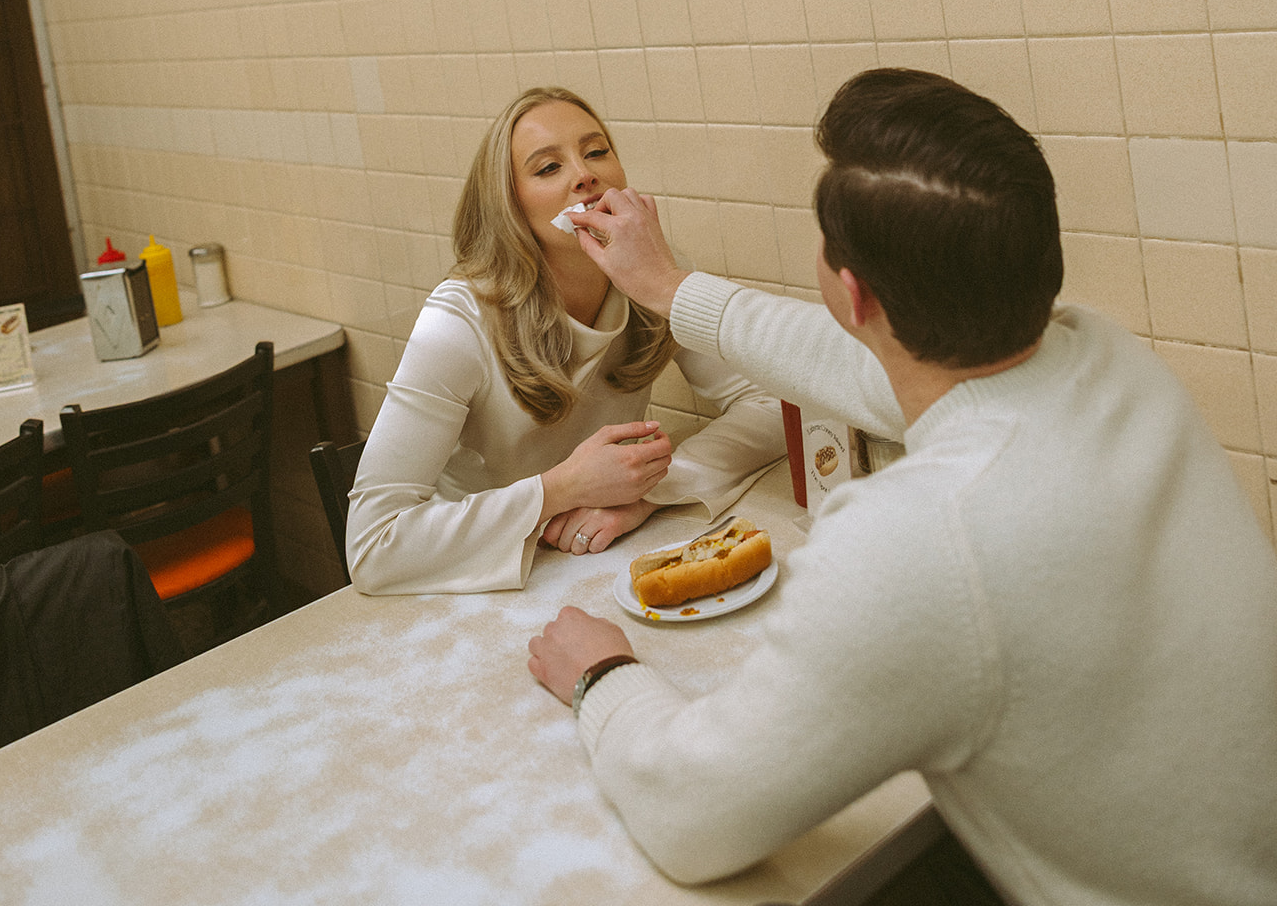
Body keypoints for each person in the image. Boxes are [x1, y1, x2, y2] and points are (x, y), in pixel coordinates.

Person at [529, 69, 1277, 905]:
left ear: (852, 292)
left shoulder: (921, 541)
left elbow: (691, 816)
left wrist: (603, 677)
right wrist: (670, 288)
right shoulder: (1107, 356)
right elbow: (865, 367)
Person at [347, 86, 785, 595]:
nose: (585, 175)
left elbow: (772, 403)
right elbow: (372, 546)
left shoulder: (646, 277)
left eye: (596, 151)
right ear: (509, 206)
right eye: (547, 168)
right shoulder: (458, 322)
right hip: (472, 586)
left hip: (596, 570)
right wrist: (560, 490)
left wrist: (645, 495)